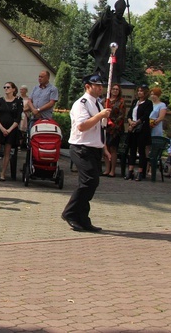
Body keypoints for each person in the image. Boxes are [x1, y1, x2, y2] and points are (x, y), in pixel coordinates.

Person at [61, 74, 111, 233]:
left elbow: (101, 130)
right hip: (81, 147)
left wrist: (104, 148)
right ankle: (70, 213)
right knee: (89, 181)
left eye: (101, 85)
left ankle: (82, 218)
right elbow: (82, 126)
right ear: (87, 86)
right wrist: (99, 116)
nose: (100, 88)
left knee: (91, 183)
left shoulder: (98, 104)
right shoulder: (81, 104)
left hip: (94, 148)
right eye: (96, 85)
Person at [88, 0, 134, 81]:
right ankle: (105, 76)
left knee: (118, 64)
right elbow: (102, 23)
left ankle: (116, 77)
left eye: (122, 11)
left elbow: (125, 32)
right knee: (106, 63)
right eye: (119, 10)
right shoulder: (111, 18)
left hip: (119, 48)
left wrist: (129, 29)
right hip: (107, 47)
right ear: (116, 9)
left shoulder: (123, 22)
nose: (121, 12)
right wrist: (106, 15)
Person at [125, 84, 152, 181]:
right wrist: (130, 122)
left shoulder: (148, 103)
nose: (139, 92)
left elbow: (145, 115)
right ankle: (130, 171)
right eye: (138, 91)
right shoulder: (135, 102)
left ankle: (140, 172)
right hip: (133, 129)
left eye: (141, 91)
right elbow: (129, 114)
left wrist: (136, 123)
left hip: (142, 129)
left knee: (141, 151)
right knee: (132, 150)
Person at [103, 83, 125, 177]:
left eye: (117, 89)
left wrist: (113, 124)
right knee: (106, 148)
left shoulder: (121, 102)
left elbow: (121, 115)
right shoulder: (106, 100)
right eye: (113, 89)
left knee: (113, 149)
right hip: (105, 127)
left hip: (115, 128)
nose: (115, 91)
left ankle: (112, 170)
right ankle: (107, 169)